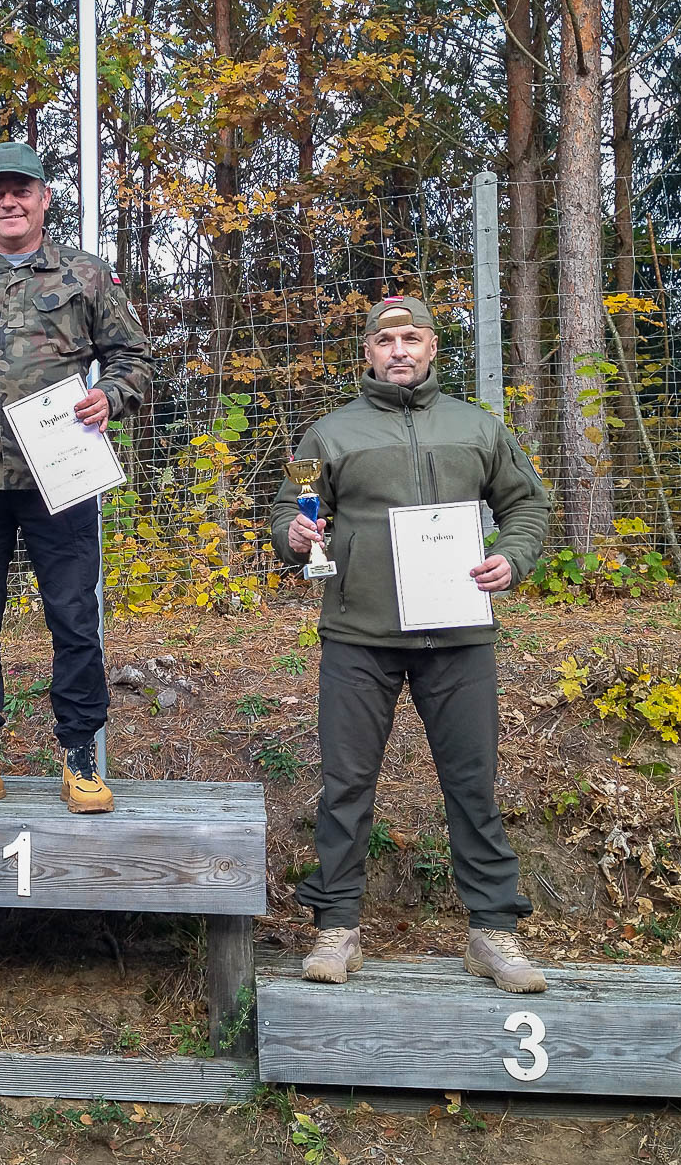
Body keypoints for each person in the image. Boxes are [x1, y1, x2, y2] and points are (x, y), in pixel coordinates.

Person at [270, 295, 552, 991]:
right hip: (357, 636)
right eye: (384, 340)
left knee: (472, 785)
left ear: (431, 348)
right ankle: (336, 928)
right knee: (345, 786)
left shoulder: (474, 426)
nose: (398, 350)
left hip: (458, 633)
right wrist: (294, 536)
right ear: (366, 352)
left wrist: (512, 559)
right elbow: (288, 510)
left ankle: (492, 933)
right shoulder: (330, 434)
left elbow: (526, 504)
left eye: (411, 338)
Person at [0, 142, 152, 813]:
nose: (8, 201)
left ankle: (80, 757)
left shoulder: (86, 276)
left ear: (43, 198)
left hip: (60, 480)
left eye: (21, 190)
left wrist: (113, 397)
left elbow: (132, 359)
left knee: (73, 619)